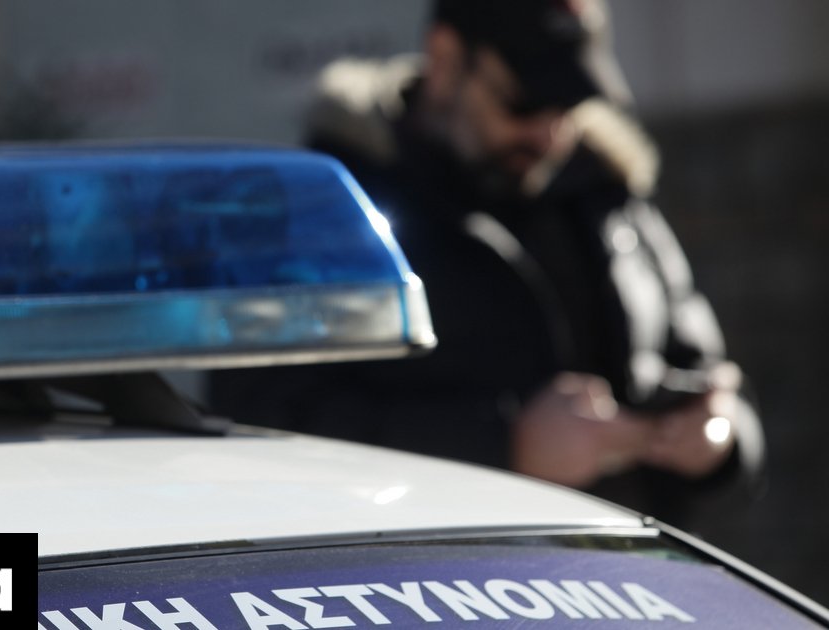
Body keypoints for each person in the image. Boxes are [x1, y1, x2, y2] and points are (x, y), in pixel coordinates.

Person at [210, 0, 764, 521]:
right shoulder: (323, 208)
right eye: (524, 102)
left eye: (570, 104)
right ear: (446, 58)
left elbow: (712, 374)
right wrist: (504, 447)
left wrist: (718, 437)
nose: (549, 133)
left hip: (632, 574)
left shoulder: (605, 192)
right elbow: (264, 426)